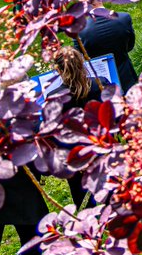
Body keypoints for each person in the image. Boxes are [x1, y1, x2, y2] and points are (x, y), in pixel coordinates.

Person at [53, 45, 102, 209]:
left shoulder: (56, 98)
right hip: (100, 144)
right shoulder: (99, 85)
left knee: (80, 195)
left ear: (59, 70)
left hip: (74, 152)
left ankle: (89, 226)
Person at [78, 0, 138, 92]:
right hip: (126, 75)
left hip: (99, 83)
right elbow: (130, 45)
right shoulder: (124, 18)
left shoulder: (80, 30)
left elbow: (80, 57)